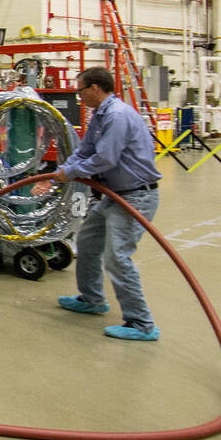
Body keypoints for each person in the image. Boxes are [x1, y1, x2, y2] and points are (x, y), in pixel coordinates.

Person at [31, 66, 162, 340]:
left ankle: (141, 323)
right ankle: (91, 299)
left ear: (94, 88)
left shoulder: (116, 115)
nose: (78, 97)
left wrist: (68, 173)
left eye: (80, 91)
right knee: (89, 242)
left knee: (117, 257)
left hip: (135, 196)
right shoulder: (100, 116)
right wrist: (58, 176)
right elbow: (84, 151)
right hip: (116, 195)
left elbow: (105, 158)